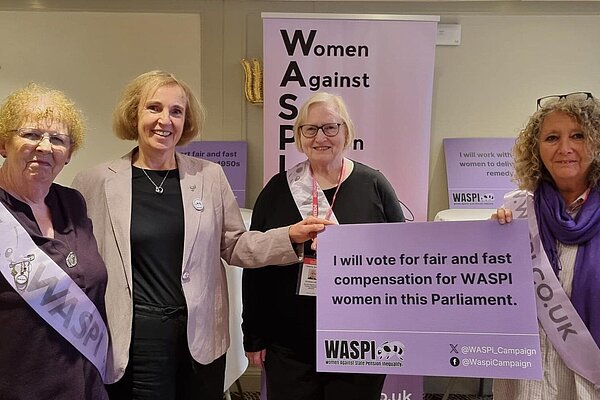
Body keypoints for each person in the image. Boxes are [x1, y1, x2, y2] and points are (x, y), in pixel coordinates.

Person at [72, 70, 330, 400]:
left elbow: (236, 245)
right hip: (135, 336)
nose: (165, 120)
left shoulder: (209, 177)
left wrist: (290, 236)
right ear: (134, 113)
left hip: (200, 335)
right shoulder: (95, 182)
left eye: (176, 111)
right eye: (154, 108)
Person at [242, 92, 405, 400]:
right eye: (310, 129)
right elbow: (257, 266)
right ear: (299, 136)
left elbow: (399, 261)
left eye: (330, 127)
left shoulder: (373, 185)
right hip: (290, 344)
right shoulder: (277, 190)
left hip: (360, 343)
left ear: (347, 132)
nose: (321, 137)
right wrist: (254, 335)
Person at [0, 83, 109, 399]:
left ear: (69, 154)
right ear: (4, 143)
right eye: (31, 135)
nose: (45, 147)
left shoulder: (73, 203)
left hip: (86, 387)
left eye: (58, 139)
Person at [493, 92, 600, 400]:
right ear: (537, 150)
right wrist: (493, 244)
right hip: (533, 370)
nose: (565, 148)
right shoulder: (515, 211)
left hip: (589, 373)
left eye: (578, 136)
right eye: (552, 138)